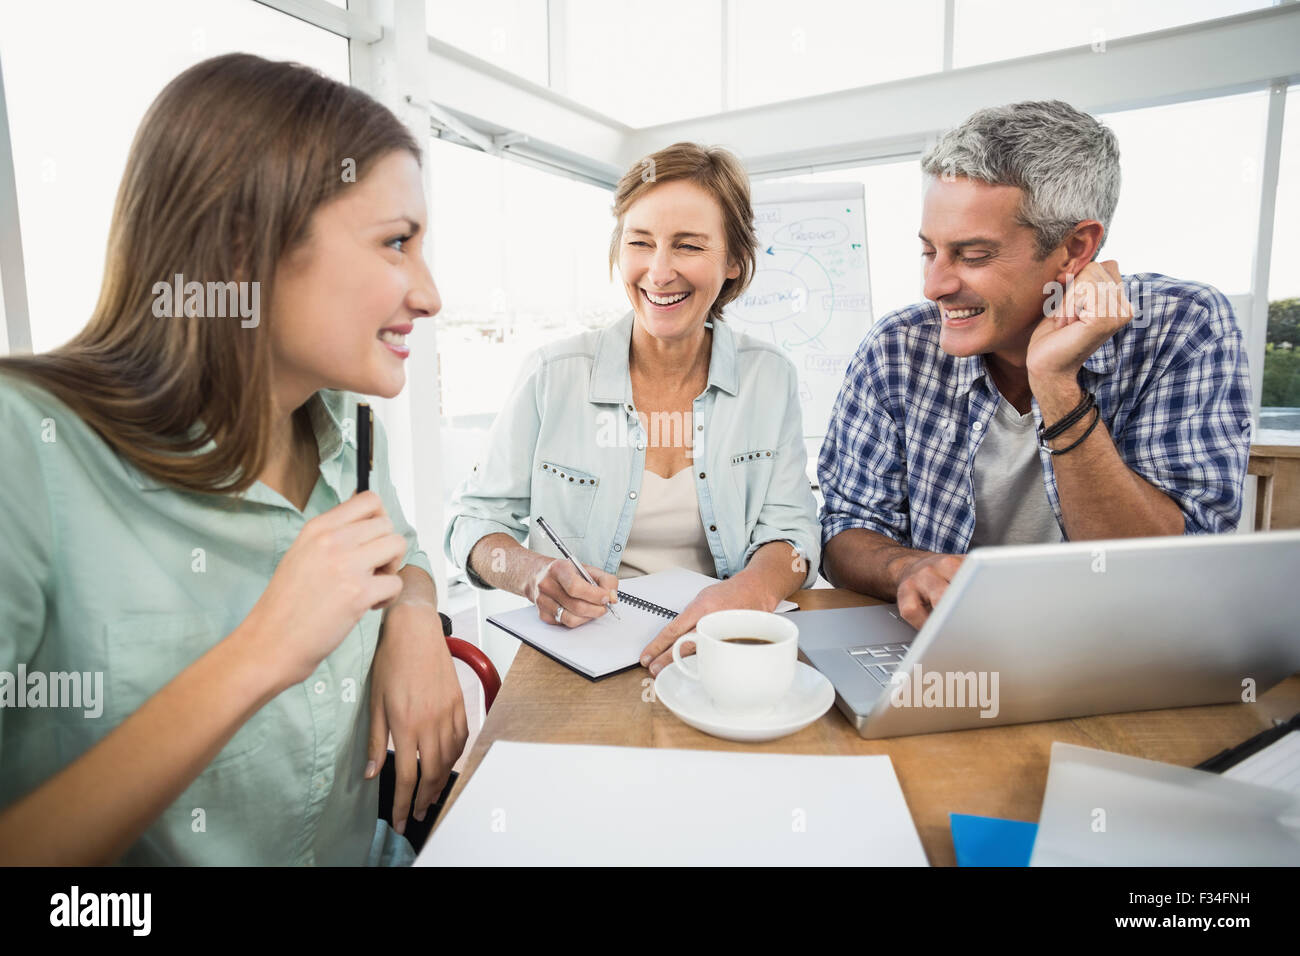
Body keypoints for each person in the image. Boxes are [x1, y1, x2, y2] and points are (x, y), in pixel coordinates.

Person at [0, 54, 466, 864]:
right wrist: (260, 653)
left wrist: (415, 614)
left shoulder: (352, 436)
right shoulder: (25, 450)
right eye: (396, 243)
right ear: (247, 241)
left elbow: (406, 557)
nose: (429, 294)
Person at [819, 100, 1252, 629]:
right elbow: (846, 527)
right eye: (930, 251)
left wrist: (1055, 383)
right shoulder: (898, 347)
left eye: (973, 255)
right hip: (942, 648)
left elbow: (1174, 571)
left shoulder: (1183, 329)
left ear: (1075, 248)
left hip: (1123, 646)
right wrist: (909, 566)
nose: (934, 286)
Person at [444, 142, 820, 676]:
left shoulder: (770, 378)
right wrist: (532, 573)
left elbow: (794, 534)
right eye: (640, 242)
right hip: (578, 661)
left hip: (716, 653)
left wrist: (748, 595)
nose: (659, 271)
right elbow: (470, 522)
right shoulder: (553, 375)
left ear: (734, 261)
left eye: (688, 246)